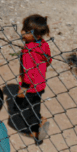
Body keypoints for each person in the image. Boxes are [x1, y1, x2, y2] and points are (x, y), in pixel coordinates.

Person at [14, 14, 52, 144]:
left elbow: (28, 74)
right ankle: (38, 118)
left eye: (27, 31)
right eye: (24, 28)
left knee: (27, 110)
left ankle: (36, 132)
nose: (22, 32)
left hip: (30, 87)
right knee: (35, 105)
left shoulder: (28, 50)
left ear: (37, 35)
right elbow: (48, 60)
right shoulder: (44, 44)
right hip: (40, 83)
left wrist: (23, 88)